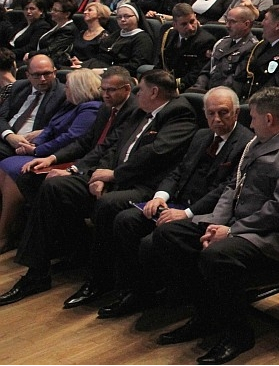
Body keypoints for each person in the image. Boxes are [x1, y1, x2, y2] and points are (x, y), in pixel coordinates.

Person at [145, 86, 279, 365]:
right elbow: (232, 187)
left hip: (271, 236)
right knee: (169, 233)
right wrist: (214, 225)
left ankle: (238, 334)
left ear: (268, 119)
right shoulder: (259, 142)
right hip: (234, 225)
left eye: (252, 117)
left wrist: (231, 231)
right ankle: (206, 315)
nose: (248, 123)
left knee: (216, 255)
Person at [0, 70, 196, 308]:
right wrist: (97, 175)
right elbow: (111, 146)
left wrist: (114, 174)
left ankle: (99, 280)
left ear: (154, 92)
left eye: (140, 90)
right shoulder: (140, 111)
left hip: (144, 185)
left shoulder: (179, 113)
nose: (137, 94)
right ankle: (36, 274)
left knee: (107, 205)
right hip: (112, 176)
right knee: (54, 186)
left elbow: (155, 154)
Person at [98, 87, 252, 320]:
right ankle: (136, 291)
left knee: (153, 242)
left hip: (205, 213)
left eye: (224, 113)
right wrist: (160, 196)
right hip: (177, 202)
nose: (217, 120)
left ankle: (176, 297)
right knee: (125, 220)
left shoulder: (246, 143)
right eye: (211, 114)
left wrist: (187, 213)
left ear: (236, 113)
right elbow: (178, 171)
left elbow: (226, 189)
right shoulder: (201, 136)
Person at [0, 54, 70, 163]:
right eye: (37, 75)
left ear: (55, 73)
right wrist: (9, 136)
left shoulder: (64, 94)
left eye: (47, 74)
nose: (42, 79)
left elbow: (61, 126)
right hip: (6, 137)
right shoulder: (18, 87)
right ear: (28, 75)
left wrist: (35, 141)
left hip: (29, 145)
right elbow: (1, 117)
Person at [186, 6, 259, 96]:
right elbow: (207, 70)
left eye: (232, 22)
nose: (227, 25)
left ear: (246, 24)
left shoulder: (253, 47)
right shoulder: (222, 42)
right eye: (227, 21)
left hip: (226, 95)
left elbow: (236, 80)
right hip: (208, 92)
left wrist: (213, 94)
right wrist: (198, 87)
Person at [81, 4, 155, 78]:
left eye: (127, 16)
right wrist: (83, 64)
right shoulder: (116, 35)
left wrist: (106, 70)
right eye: (119, 17)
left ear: (137, 17)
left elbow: (135, 65)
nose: (122, 19)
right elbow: (101, 57)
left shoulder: (143, 38)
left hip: (122, 76)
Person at [156, 3, 217, 92]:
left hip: (188, 88)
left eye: (192, 21)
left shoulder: (206, 41)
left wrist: (168, 84)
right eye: (184, 24)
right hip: (168, 84)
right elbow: (162, 63)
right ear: (175, 24)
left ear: (196, 18)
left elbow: (197, 74)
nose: (190, 27)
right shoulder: (169, 35)